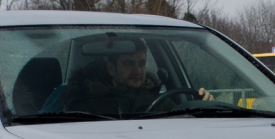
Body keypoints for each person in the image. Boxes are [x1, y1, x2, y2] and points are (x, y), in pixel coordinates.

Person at [61, 39, 212, 115]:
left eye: (142, 63)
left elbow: (184, 127)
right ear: (111, 68)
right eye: (129, 64)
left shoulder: (160, 101)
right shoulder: (86, 104)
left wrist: (202, 108)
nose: (137, 70)